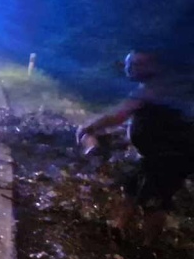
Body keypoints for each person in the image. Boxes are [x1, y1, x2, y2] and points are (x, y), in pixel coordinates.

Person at [76, 50, 194, 247]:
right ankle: (118, 228)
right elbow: (143, 122)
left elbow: (119, 116)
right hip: (157, 154)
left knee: (155, 200)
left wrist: (89, 127)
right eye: (129, 64)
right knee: (132, 185)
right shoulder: (154, 87)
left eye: (138, 64)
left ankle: (150, 248)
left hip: (171, 156)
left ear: (154, 66)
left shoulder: (156, 87)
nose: (131, 68)